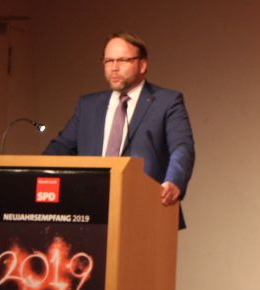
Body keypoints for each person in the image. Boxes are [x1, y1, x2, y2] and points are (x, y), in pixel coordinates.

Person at [43, 32, 196, 226]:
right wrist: (34, 175)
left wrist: (173, 181)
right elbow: (60, 148)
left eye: (122, 60)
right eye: (108, 61)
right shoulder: (87, 105)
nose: (114, 67)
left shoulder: (166, 102)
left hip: (147, 211)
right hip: (89, 213)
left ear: (142, 65)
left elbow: (182, 147)